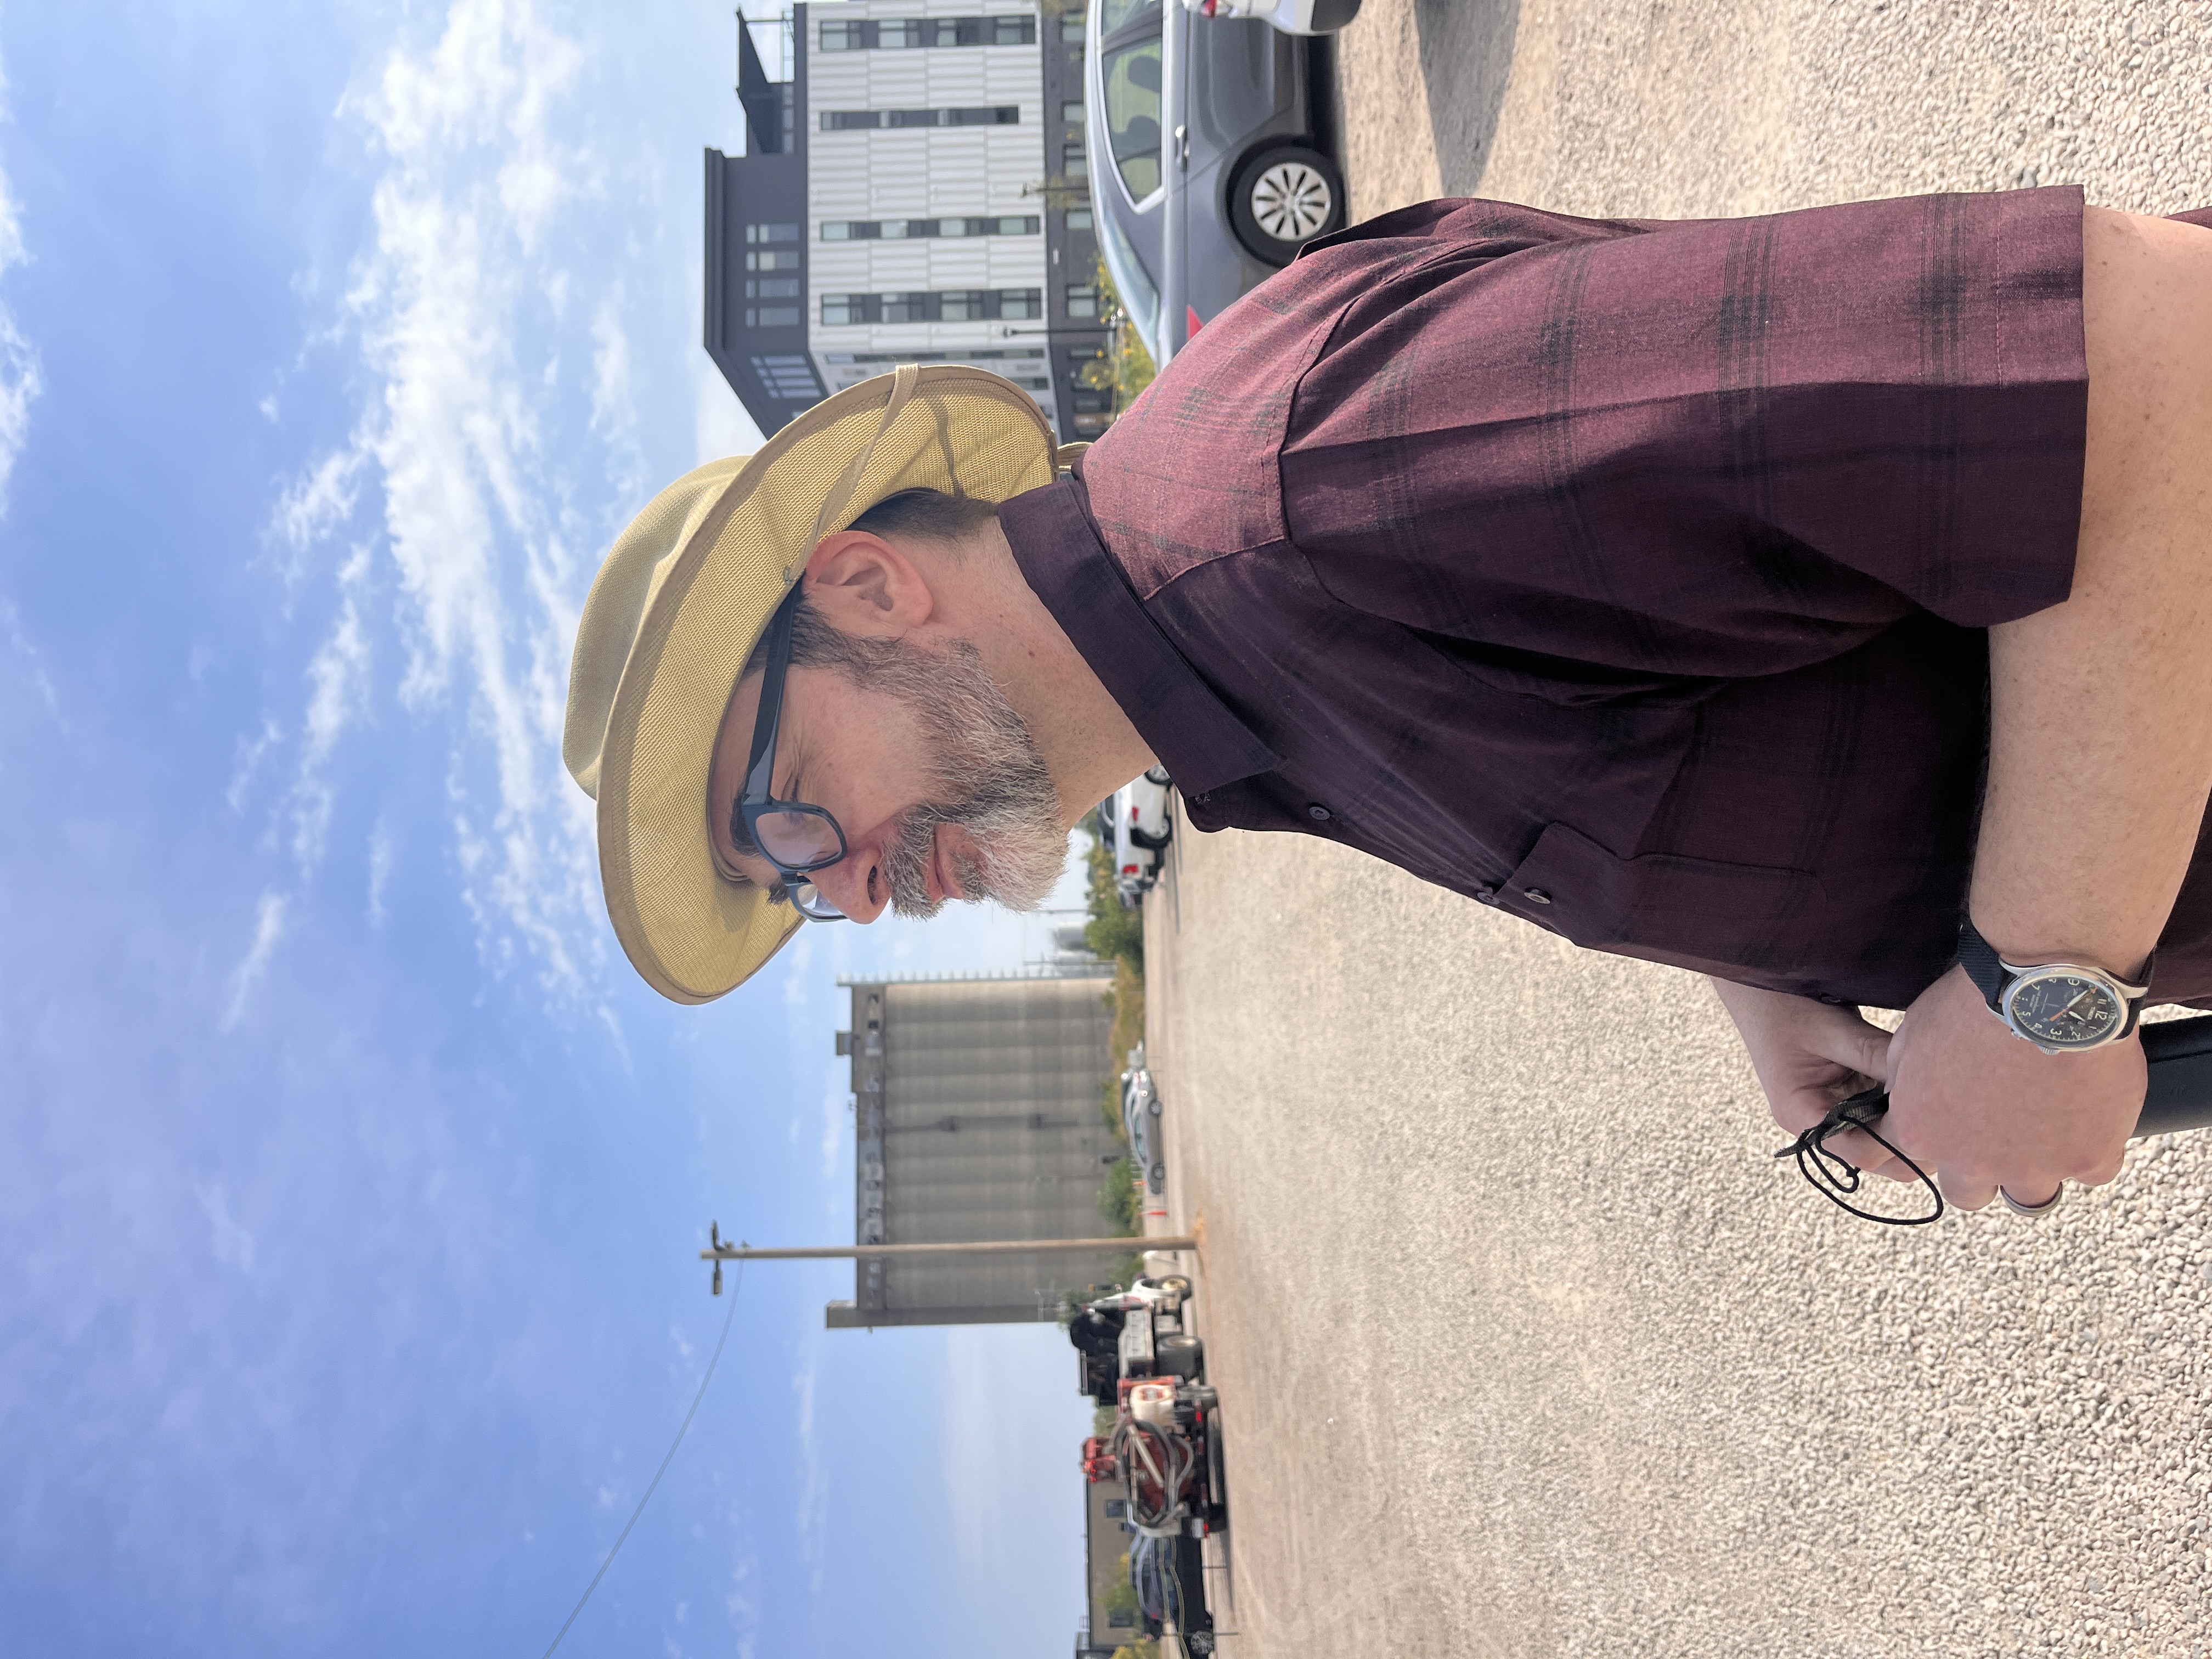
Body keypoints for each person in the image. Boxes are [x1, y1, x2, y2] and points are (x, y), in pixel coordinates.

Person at [563, 187, 2212, 1218]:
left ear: (863, 588)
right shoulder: (1232, 671)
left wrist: (2038, 991)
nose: (836, 889)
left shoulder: (1319, 487)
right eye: (792, 889)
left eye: (784, 809)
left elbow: (2139, 343)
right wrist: (1754, 976)